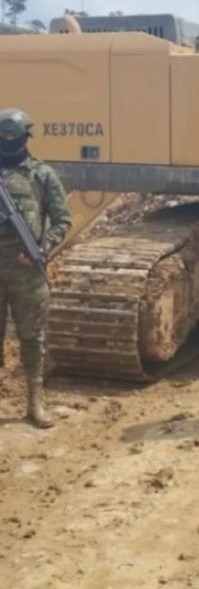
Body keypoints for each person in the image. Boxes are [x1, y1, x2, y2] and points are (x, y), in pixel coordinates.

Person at [0, 108, 71, 428]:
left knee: (32, 338)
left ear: (26, 137)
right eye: (3, 136)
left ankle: (35, 403)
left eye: (13, 136)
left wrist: (41, 249)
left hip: (25, 270)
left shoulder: (42, 175)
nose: (8, 141)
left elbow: (62, 220)